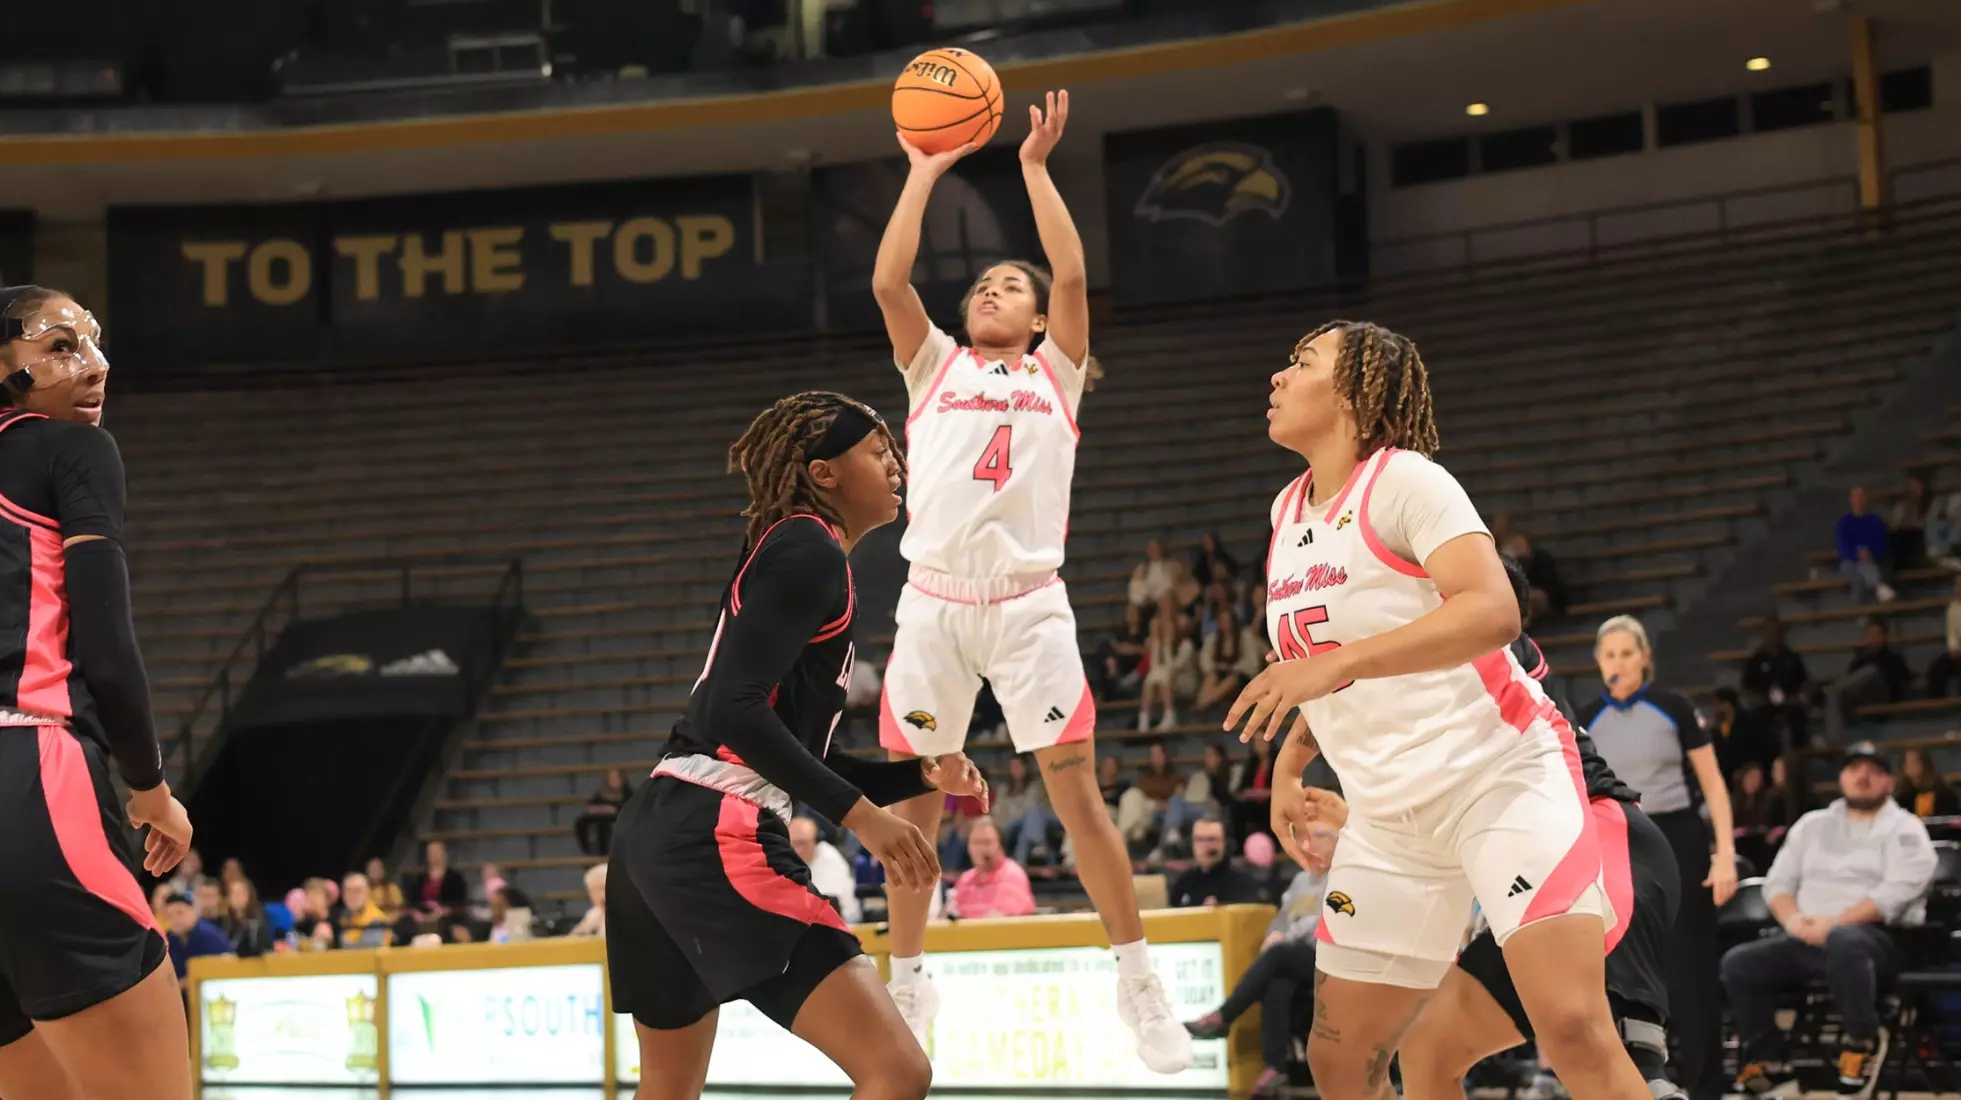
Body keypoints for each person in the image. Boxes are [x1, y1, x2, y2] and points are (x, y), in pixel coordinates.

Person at [1235, 318, 1652, 1100]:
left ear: (1355, 391)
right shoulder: (1284, 513)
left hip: (1497, 777)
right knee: (1340, 1058)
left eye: (1301, 361)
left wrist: (1333, 666)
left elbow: (1493, 611)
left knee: (1570, 1028)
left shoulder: (1405, 481)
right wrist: (1290, 766)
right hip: (1388, 820)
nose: (1277, 377)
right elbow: (1318, 670)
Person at [868, 89, 1187, 1070]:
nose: (994, 291)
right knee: (912, 809)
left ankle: (1137, 978)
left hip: (1027, 604)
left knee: (1075, 792)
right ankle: (908, 981)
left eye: (1014, 284)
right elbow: (888, 281)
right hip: (930, 602)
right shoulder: (933, 366)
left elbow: (1076, 269)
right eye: (985, 285)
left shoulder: (1058, 368)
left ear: (1044, 317)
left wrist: (1036, 170)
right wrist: (923, 168)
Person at [606, 392, 987, 1100]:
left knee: (666, 1091)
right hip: (712, 829)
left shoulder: (793, 549)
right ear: (823, 472)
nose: (896, 464)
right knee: (897, 1071)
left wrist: (918, 776)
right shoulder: (809, 548)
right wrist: (862, 817)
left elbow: (772, 741)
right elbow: (734, 709)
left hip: (661, 825)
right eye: (878, 452)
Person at [1385, 556, 1688, 1100]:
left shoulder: (1490, 642)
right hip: (1532, 866)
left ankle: (1644, 1060)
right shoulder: (1424, 679)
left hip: (1600, 838)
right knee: (1427, 1044)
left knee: (1604, 1048)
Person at [0, 286, 195, 1100]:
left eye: (93, 341)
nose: (96, 366)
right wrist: (151, 789)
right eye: (60, 346)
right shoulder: (72, 451)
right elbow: (107, 651)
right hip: (30, 775)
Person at [1720, 743, 1939, 1100]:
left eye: (1874, 770)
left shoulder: (1905, 828)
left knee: (1846, 942)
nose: (1862, 776)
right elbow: (1778, 884)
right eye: (1854, 768)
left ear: (1889, 782)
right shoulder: (1812, 825)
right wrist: (1793, 922)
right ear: (1841, 778)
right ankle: (1771, 1064)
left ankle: (1862, 1042)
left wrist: (1836, 924)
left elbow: (1897, 891)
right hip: (1805, 935)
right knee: (1740, 963)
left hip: (1879, 941)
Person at [1580, 615, 1736, 1100]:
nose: (1619, 663)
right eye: (1610, 655)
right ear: (1598, 663)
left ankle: (1707, 1082)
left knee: (1692, 963)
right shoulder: (1586, 717)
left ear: (1645, 657)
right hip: (1617, 839)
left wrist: (1725, 853)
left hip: (1680, 836)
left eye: (1628, 653)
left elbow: (1712, 783)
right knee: (1626, 966)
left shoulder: (1674, 707)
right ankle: (1640, 1080)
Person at [1185, 864, 1329, 1096]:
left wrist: (1285, 937)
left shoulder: (1343, 876)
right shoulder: (1301, 880)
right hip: (1294, 956)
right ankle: (1276, 1069)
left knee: (1277, 954)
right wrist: (1273, 933)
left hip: (1328, 955)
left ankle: (1224, 1016)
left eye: (1320, 837)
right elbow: (1281, 917)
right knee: (1277, 985)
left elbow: (1329, 922)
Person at [1825, 618, 1913, 744]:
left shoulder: (1893, 658)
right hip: (1861, 696)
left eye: (1877, 635)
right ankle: (1834, 742)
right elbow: (1850, 678)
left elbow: (1904, 680)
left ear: (1885, 636)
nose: (1873, 638)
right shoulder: (1860, 658)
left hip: (1882, 695)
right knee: (1834, 694)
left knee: (1872, 671)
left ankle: (1829, 690)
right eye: (1871, 635)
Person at [1740, 616, 1810, 748]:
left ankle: (1797, 752)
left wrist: (1798, 698)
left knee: (1798, 718)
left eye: (1776, 633)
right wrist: (1755, 699)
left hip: (1790, 704)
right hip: (1763, 705)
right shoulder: (1756, 659)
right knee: (1752, 720)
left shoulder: (1792, 657)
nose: (1773, 637)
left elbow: (1805, 682)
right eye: (1769, 633)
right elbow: (1745, 686)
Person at [949, 817, 1035, 919]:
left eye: (987, 842)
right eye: (976, 842)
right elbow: (953, 914)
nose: (981, 848)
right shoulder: (965, 879)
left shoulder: (1012, 875)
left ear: (1000, 845)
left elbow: (1000, 919)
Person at [1167, 815, 1259, 908]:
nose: (1205, 845)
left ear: (1225, 844)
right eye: (1199, 839)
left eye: (1211, 839)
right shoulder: (1184, 881)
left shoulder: (1242, 883)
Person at [789, 815, 863, 923]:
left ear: (816, 841)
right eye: (793, 844)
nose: (797, 850)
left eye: (802, 843)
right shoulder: (787, 859)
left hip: (842, 924)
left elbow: (829, 904)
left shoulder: (830, 859)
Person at [1836, 485, 1896, 604]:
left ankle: (1864, 616)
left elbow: (1882, 545)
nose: (1859, 500)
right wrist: (1858, 555)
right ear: (1851, 500)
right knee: (1860, 577)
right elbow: (1843, 548)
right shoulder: (1844, 523)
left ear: (1867, 499)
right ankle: (1878, 586)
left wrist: (1868, 553)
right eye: (1856, 497)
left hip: (1872, 560)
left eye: (1862, 497)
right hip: (1850, 562)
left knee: (1865, 572)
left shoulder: (1876, 522)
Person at [163, 895, 231, 988]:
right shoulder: (170, 939)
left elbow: (216, 970)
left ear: (192, 910)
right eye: (170, 916)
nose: (176, 920)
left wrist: (179, 985)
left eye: (180, 913)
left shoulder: (209, 936)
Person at [402, 840, 468, 927]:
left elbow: (458, 903)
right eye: (431, 852)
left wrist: (441, 912)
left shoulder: (455, 878)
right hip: (422, 916)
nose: (433, 855)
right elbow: (413, 901)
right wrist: (420, 914)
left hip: (445, 916)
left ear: (444, 854)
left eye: (436, 852)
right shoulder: (420, 878)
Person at [576, 767, 633, 856]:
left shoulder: (627, 792)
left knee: (603, 824)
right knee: (580, 822)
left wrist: (613, 809)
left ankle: (603, 852)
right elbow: (592, 805)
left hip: (618, 816)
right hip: (601, 815)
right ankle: (587, 849)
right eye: (611, 779)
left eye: (616, 778)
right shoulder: (602, 792)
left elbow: (628, 807)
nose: (614, 781)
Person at [217, 877, 276, 959]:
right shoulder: (221, 923)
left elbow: (266, 952)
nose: (237, 897)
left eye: (241, 893)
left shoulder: (258, 925)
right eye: (233, 893)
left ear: (249, 895)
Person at [1923, 574, 1961, 698]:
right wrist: (1953, 648)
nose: (1958, 589)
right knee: (1937, 667)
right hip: (1958, 653)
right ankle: (1937, 705)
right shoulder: (1952, 608)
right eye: (1957, 586)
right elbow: (1952, 635)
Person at [1895, 746, 1958, 819]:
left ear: (1924, 764)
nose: (1910, 766)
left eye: (1914, 761)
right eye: (1907, 762)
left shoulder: (1943, 793)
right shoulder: (1902, 796)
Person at [335, 873, 392, 949]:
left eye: (358, 890)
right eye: (348, 890)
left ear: (368, 892)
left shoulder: (376, 920)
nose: (352, 895)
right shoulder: (343, 916)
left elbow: (368, 953)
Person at [569, 864, 608, 938]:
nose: (602, 895)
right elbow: (572, 939)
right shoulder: (595, 914)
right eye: (595, 891)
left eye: (604, 888)